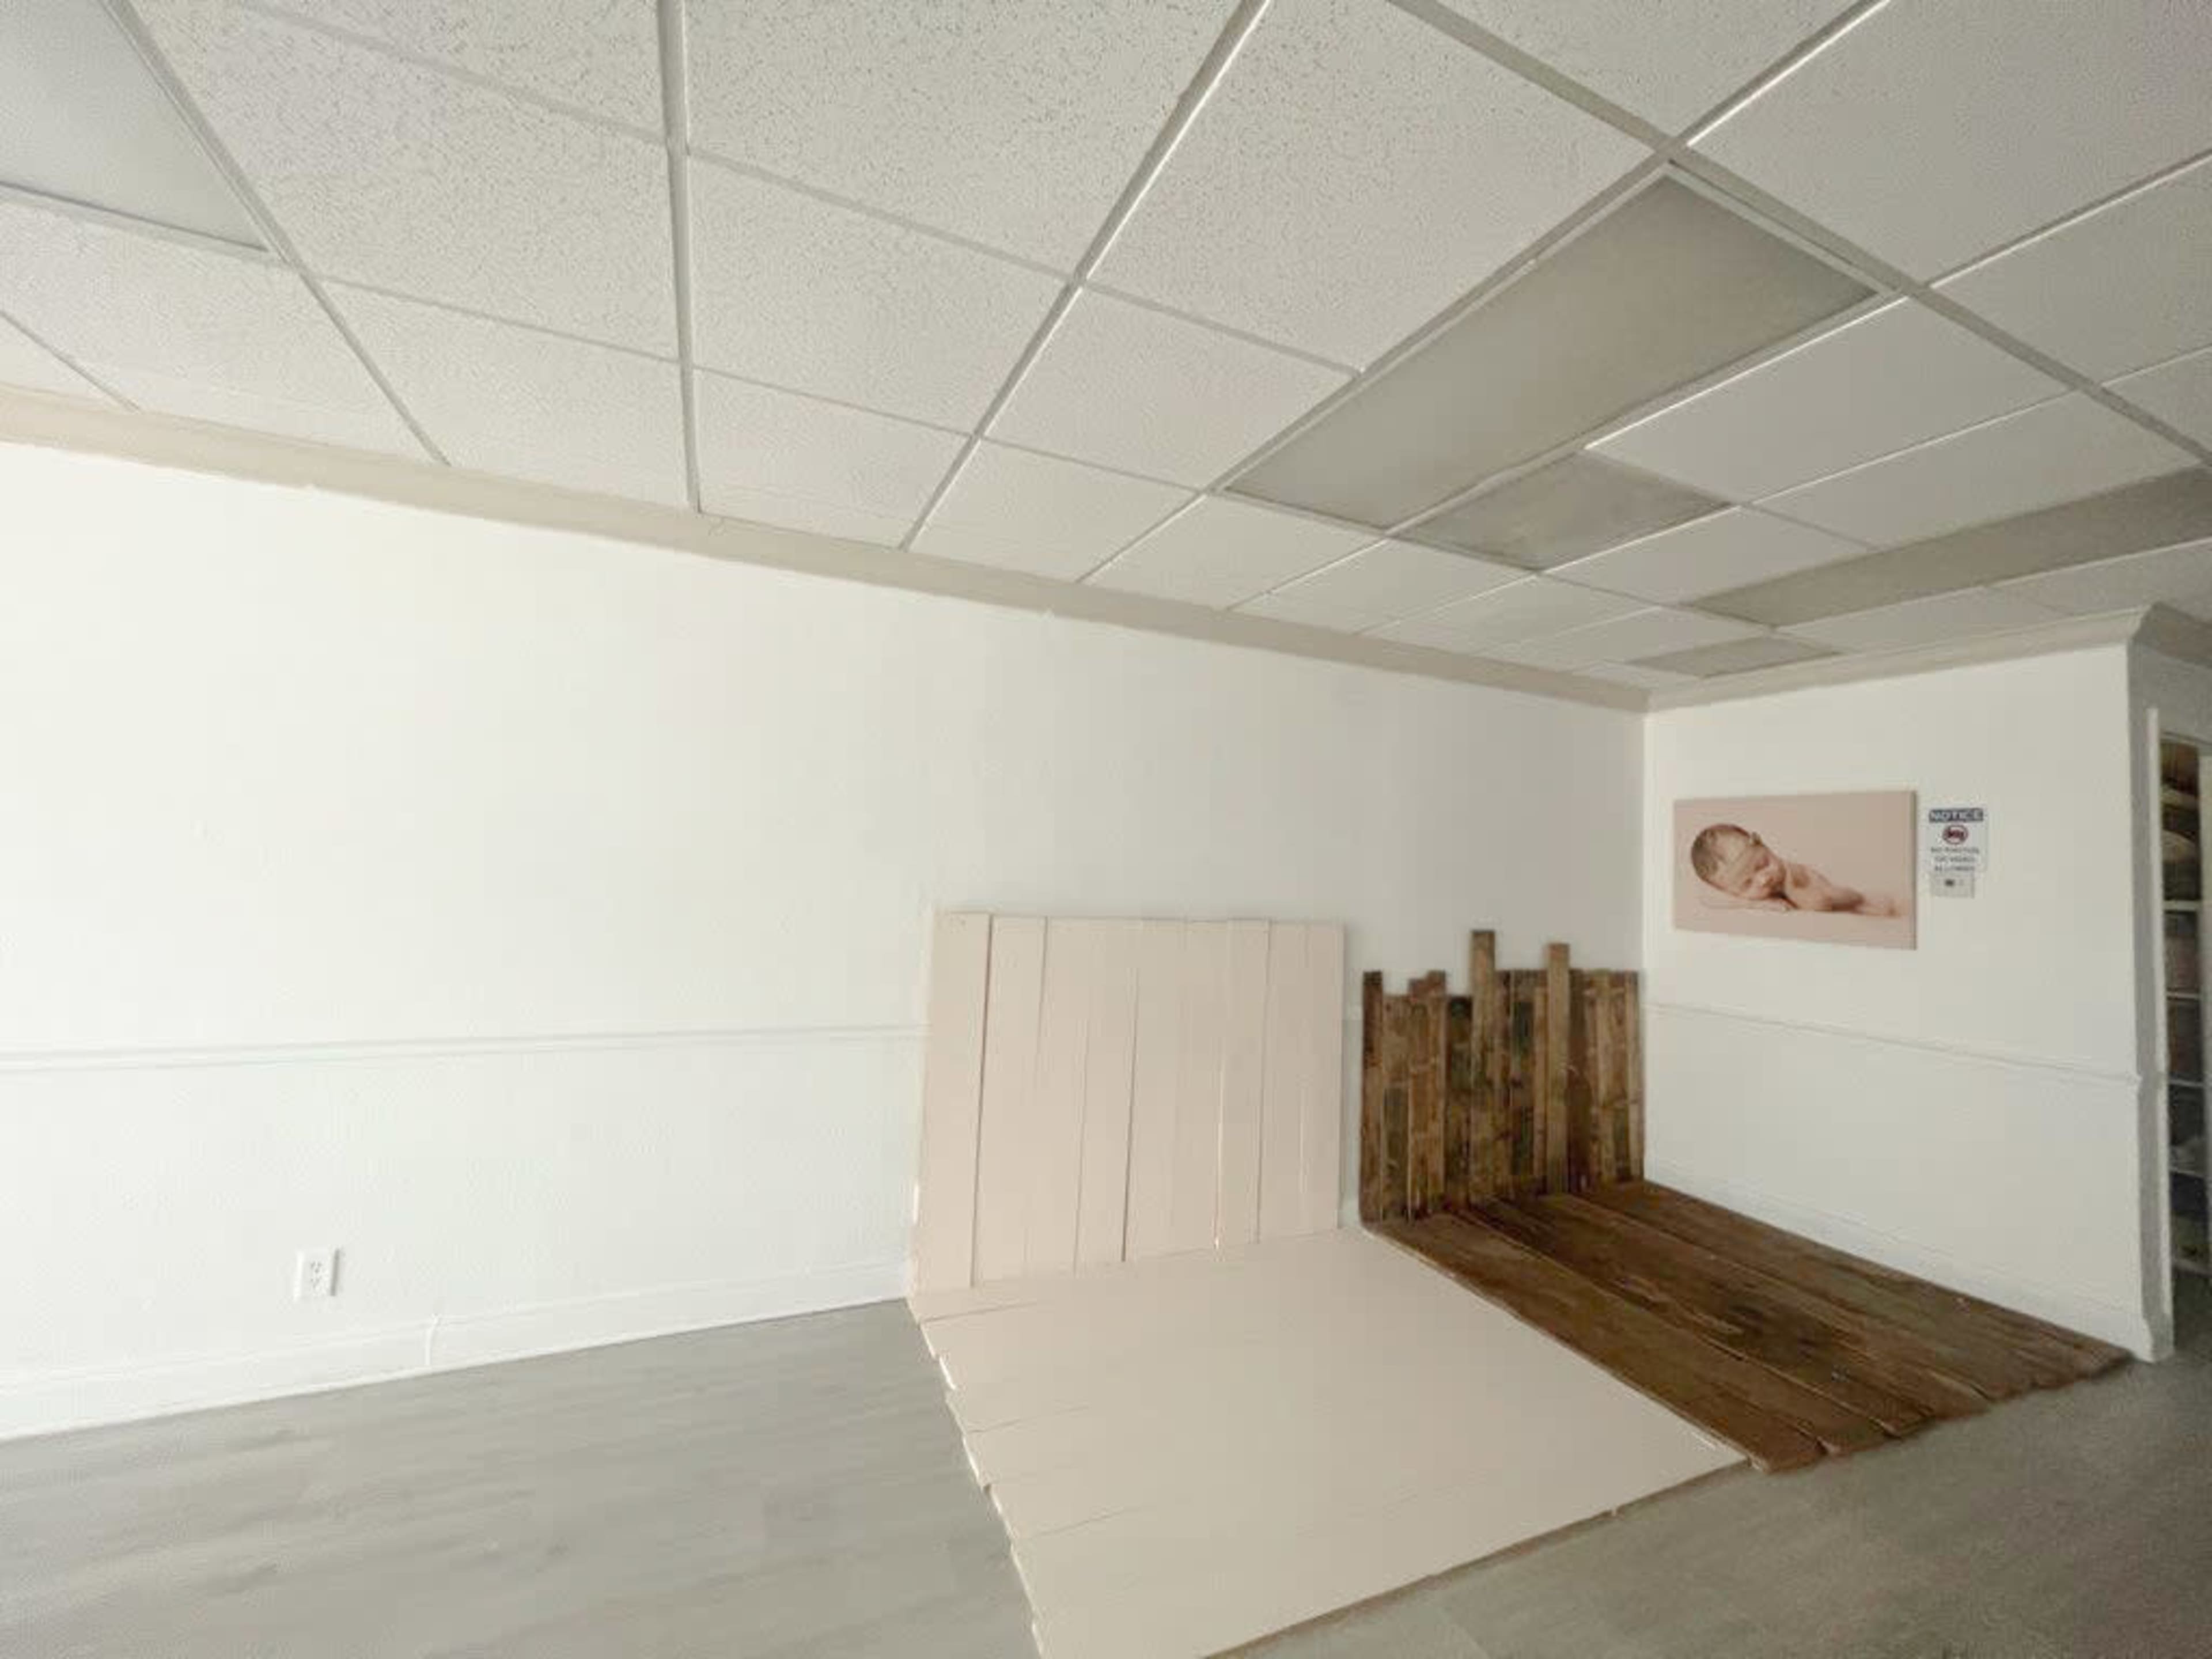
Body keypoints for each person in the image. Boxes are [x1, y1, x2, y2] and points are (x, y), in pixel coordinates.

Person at [1688, 822, 1898, 916]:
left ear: (1763, 845)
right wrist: (1754, 905)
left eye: (1762, 865)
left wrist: (1790, 889)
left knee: (1833, 896)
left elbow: (1819, 904)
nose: (1764, 880)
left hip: (1817, 887)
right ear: (1729, 891)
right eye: (1747, 884)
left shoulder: (1791, 875)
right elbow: (1704, 898)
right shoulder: (1729, 893)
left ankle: (1860, 899)